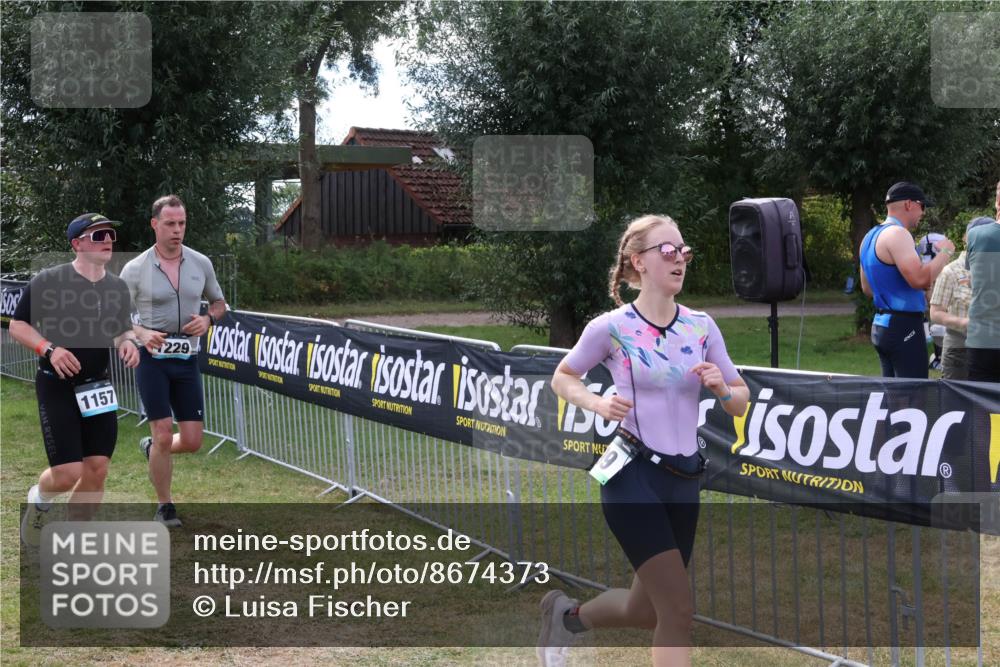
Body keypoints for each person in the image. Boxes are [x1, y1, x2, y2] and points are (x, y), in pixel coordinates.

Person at [539, 215, 749, 667]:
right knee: (677, 610)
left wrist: (722, 389)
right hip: (631, 477)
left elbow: (740, 402)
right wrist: (596, 403)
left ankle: (567, 617)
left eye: (683, 251)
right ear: (639, 262)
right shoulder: (610, 328)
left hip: (684, 479)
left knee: (646, 607)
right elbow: (563, 377)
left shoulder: (702, 327)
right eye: (667, 251)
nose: (680, 260)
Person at [11, 213, 141, 546]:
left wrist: (127, 342)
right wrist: (49, 349)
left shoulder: (116, 287)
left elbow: (121, 327)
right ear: (77, 244)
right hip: (57, 385)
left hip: (98, 386)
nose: (108, 240)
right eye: (98, 236)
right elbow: (17, 326)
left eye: (110, 234)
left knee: (96, 469)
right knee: (69, 474)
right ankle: (40, 499)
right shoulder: (49, 281)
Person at [120, 195, 227, 527]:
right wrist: (140, 332)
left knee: (193, 441)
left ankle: (153, 447)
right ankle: (165, 505)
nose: (177, 230)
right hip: (151, 358)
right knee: (165, 432)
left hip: (186, 358)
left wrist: (208, 319)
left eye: (181, 223)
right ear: (155, 224)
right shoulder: (135, 268)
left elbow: (220, 304)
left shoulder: (201, 263)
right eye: (170, 224)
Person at [859, 181, 956, 378]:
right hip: (903, 325)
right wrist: (946, 252)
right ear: (909, 204)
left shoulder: (869, 236)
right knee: (914, 399)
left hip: (881, 326)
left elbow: (867, 288)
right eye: (923, 206)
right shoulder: (898, 234)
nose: (924, 212)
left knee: (892, 397)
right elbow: (920, 280)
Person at [929, 218, 994, 379]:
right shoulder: (951, 271)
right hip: (959, 349)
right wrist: (964, 323)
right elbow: (935, 313)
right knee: (956, 401)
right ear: (967, 239)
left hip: (992, 348)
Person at [964, 180, 1000, 382]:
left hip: (982, 338)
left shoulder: (976, 235)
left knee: (981, 407)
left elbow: (972, 280)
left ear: (997, 203)